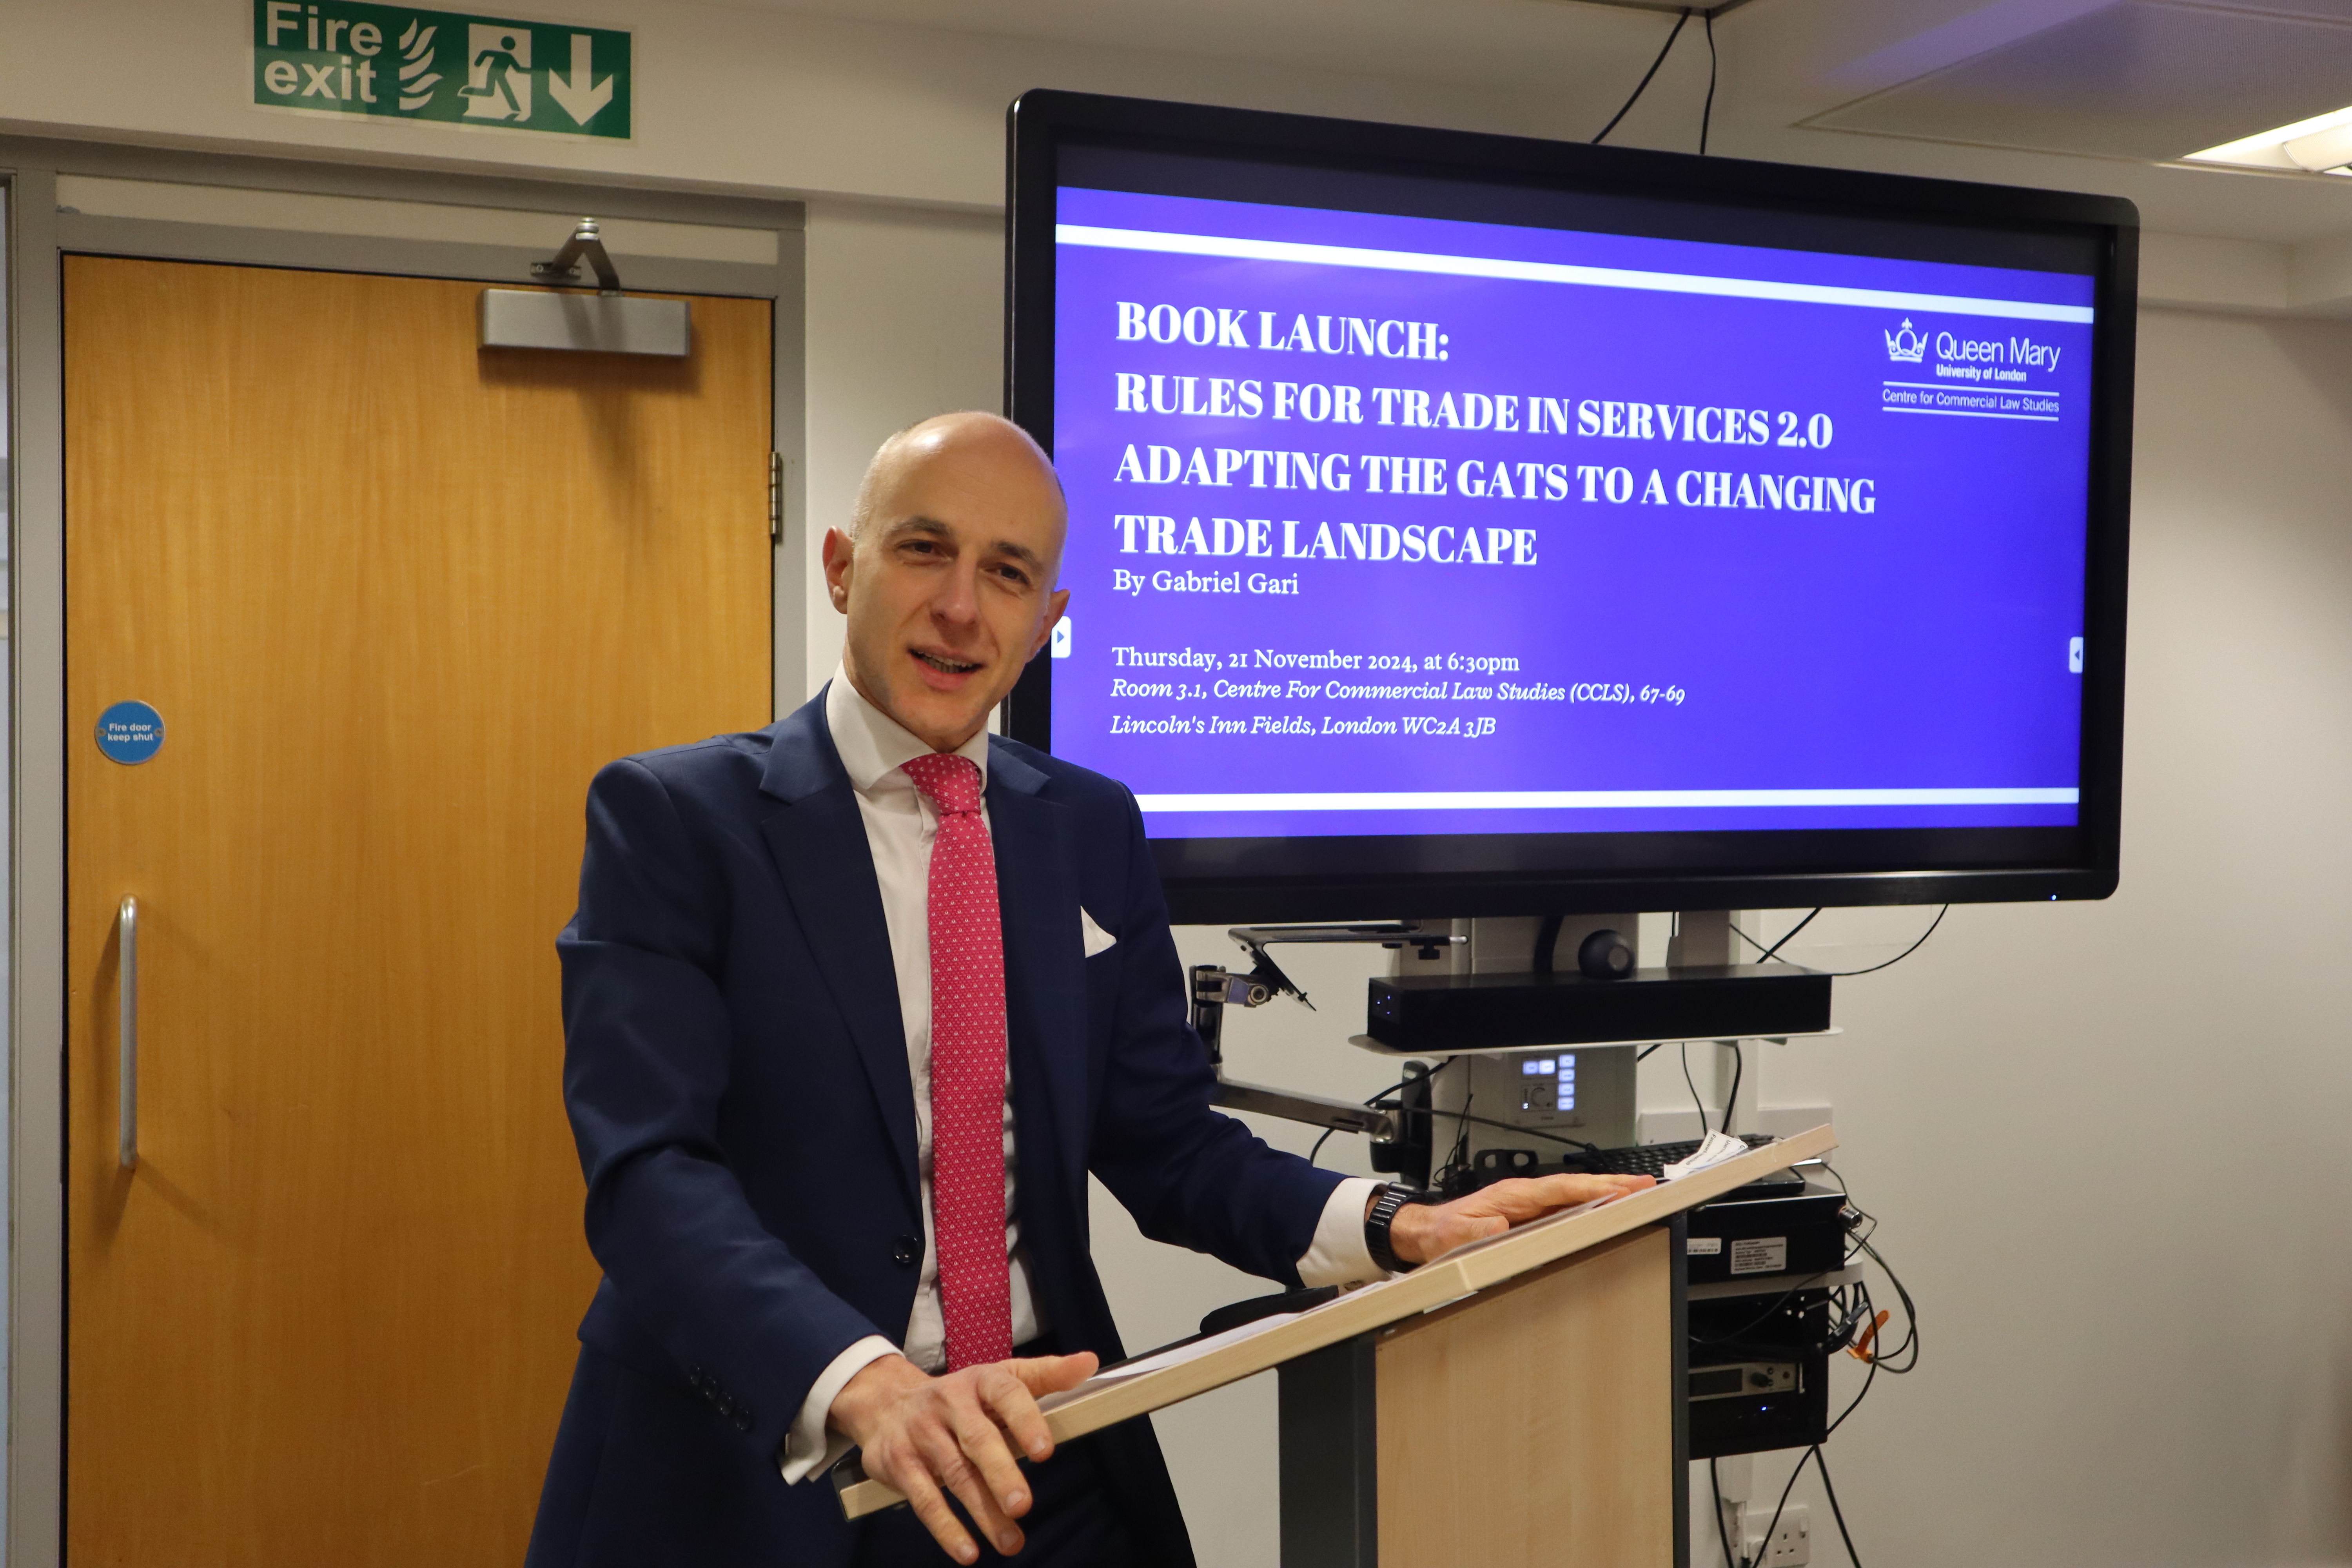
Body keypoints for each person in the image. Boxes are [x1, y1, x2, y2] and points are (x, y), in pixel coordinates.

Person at [524, 412, 1651, 1568]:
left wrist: (1399, 1222)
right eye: (924, 550)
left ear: (1046, 622)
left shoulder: (1087, 828)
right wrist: (867, 1384)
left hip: (1038, 1450)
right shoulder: (677, 822)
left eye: (1008, 574)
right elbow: (651, 1176)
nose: (963, 608)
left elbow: (1166, 1143)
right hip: (774, 1460)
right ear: (839, 568)